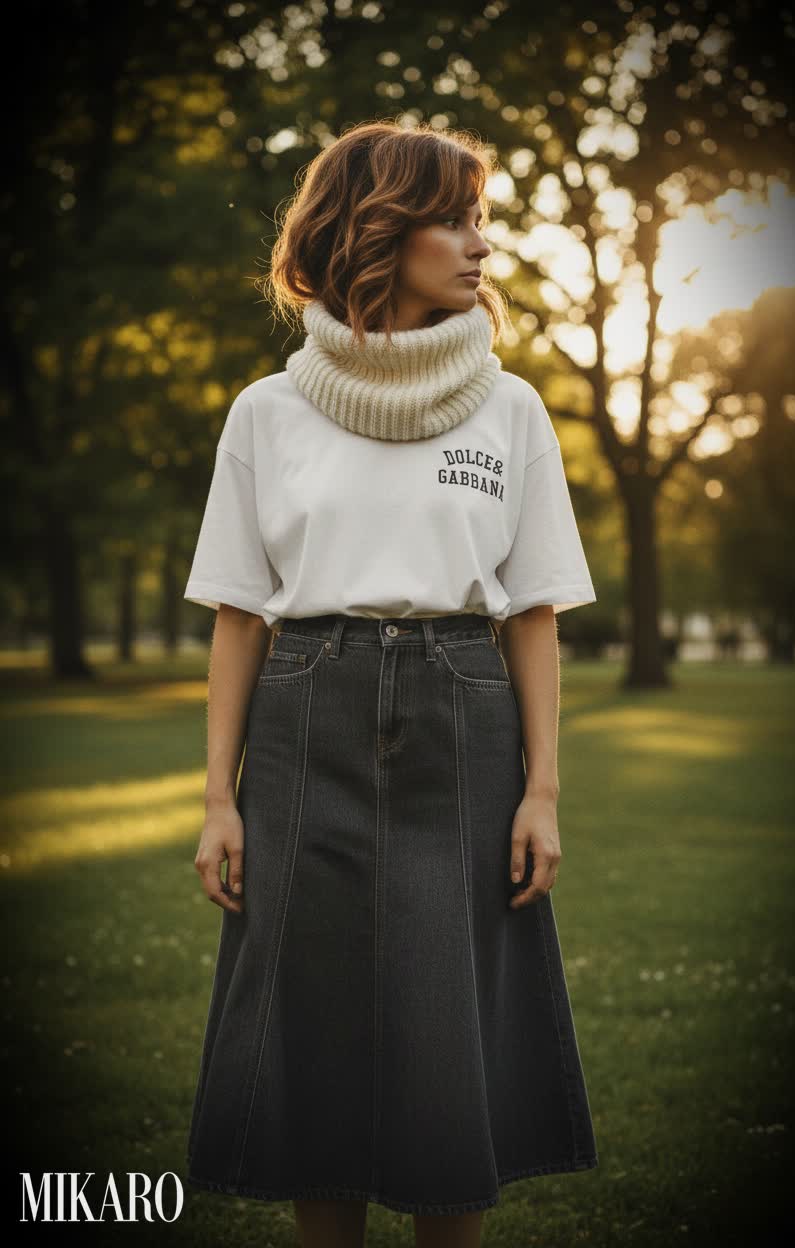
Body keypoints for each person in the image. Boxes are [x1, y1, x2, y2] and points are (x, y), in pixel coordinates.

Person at [183, 119, 599, 1248]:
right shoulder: (266, 413)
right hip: (304, 707)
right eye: (454, 219)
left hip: (462, 713)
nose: (479, 247)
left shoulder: (509, 410)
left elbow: (532, 614)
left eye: (483, 220)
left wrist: (542, 790)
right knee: (317, 1028)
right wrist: (220, 799)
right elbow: (235, 613)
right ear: (376, 229)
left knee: (445, 1027)